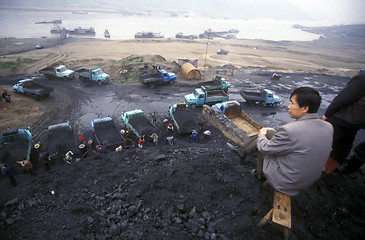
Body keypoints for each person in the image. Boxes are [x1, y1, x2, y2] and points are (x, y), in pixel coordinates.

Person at [228, 87, 333, 196]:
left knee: (265, 142)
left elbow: (265, 148)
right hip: (310, 177)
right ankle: (243, 151)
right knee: (270, 133)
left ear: (304, 109)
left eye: (292, 103)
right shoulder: (328, 126)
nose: (289, 106)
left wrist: (261, 136)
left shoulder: (291, 130)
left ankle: (259, 173)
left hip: (288, 182)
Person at [322, 72, 365, 171]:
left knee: (323, 140)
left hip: (342, 118)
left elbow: (344, 98)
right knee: (344, 145)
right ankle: (333, 168)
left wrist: (327, 114)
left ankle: (315, 166)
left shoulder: (362, 79)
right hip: (357, 122)